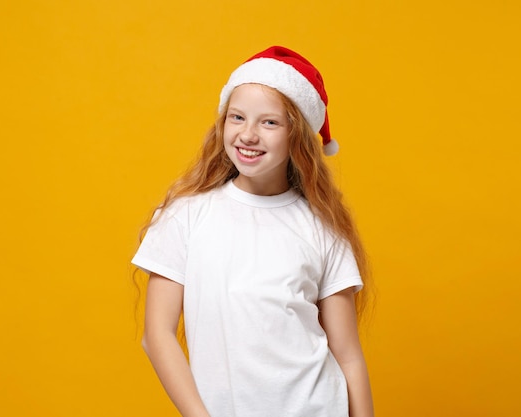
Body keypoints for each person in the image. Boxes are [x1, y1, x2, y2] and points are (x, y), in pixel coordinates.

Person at [132, 46, 374, 417]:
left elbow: (349, 356)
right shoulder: (185, 216)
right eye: (237, 117)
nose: (248, 134)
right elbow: (157, 335)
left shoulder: (323, 228)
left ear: (297, 135)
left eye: (269, 122)